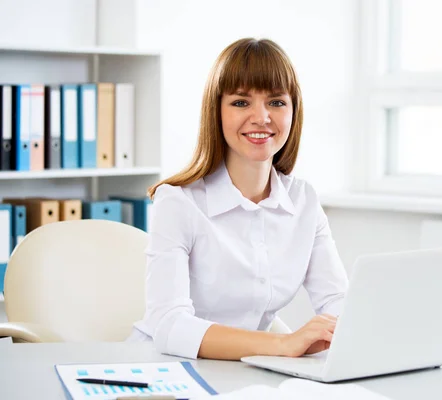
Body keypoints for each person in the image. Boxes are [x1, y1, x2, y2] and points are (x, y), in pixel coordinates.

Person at [127, 38, 348, 361]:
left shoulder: (303, 200)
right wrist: (284, 345)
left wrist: (344, 331)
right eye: (241, 103)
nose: (261, 117)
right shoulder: (177, 202)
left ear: (293, 111)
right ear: (215, 111)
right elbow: (169, 324)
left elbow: (337, 300)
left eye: (276, 102)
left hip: (246, 371)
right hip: (164, 369)